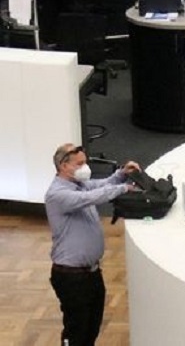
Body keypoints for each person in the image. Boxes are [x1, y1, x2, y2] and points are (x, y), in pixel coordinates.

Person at [45, 143, 142, 346]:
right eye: (79, 164)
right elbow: (92, 197)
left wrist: (122, 174)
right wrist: (123, 188)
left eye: (85, 162)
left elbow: (101, 185)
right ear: (63, 166)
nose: (85, 168)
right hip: (72, 277)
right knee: (77, 331)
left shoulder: (78, 184)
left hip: (92, 273)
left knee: (91, 328)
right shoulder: (58, 194)